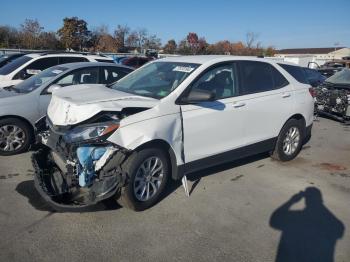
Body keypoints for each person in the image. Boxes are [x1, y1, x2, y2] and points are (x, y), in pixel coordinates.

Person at [270, 187, 345, 262]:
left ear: (306, 200)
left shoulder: (295, 218)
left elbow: (274, 219)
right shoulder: (336, 224)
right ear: (321, 200)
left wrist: (292, 200)